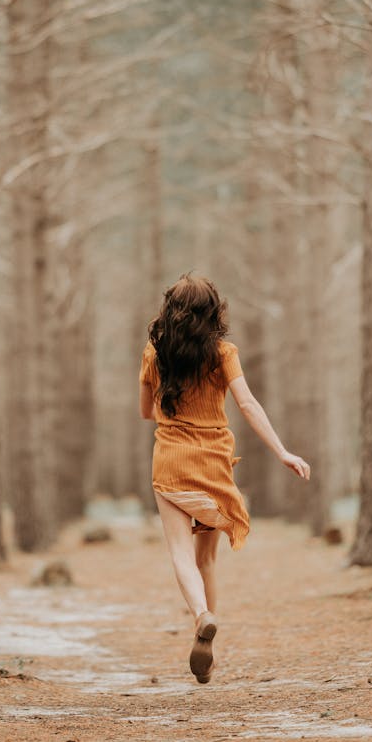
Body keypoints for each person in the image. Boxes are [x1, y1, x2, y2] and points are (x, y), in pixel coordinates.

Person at [139, 273, 310, 684]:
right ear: (213, 311)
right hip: (213, 464)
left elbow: (146, 411)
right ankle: (209, 654)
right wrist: (282, 451)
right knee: (207, 559)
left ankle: (202, 616)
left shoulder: (154, 352)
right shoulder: (223, 353)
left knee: (181, 555)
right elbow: (247, 404)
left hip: (170, 464)